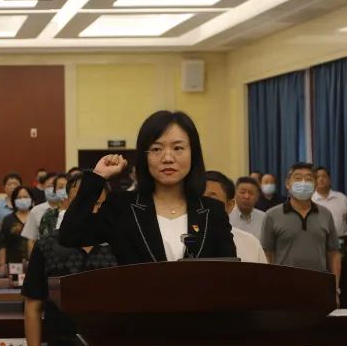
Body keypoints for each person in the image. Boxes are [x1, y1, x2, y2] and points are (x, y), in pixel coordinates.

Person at [59, 110, 236, 263]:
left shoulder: (213, 212)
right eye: (157, 149)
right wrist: (98, 177)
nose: (168, 158)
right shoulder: (122, 207)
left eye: (178, 148)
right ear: (144, 157)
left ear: (193, 154)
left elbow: (228, 272)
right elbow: (70, 235)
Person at [23, 172, 115, 346]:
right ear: (67, 203)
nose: (90, 209)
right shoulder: (47, 245)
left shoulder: (120, 243)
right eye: (81, 202)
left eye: (97, 203)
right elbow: (32, 307)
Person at [261, 163, 340, 300]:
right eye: (297, 178)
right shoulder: (272, 215)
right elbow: (267, 253)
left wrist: (335, 289)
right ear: (287, 184)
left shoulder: (325, 214)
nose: (303, 183)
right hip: (283, 287)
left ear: (315, 185)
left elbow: (333, 254)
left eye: (309, 179)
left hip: (319, 286)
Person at [204, 171, 267, 264]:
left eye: (211, 198)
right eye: (197, 197)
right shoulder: (182, 240)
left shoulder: (251, 244)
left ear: (229, 205)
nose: (202, 204)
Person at [312, 166, 347, 253]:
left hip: (341, 242)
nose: (321, 179)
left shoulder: (341, 197)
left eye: (324, 176)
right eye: (317, 177)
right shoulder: (309, 200)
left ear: (330, 180)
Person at [21, 173, 61, 250]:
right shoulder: (36, 211)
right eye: (49, 186)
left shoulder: (70, 209)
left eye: (55, 186)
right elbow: (31, 240)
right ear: (43, 188)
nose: (52, 189)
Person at [0, 185, 34, 265]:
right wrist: (2, 265)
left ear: (31, 199)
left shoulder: (37, 217)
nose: (23, 200)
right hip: (13, 264)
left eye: (25, 197)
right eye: (19, 197)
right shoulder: (7, 219)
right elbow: (2, 244)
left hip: (34, 264)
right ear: (14, 200)